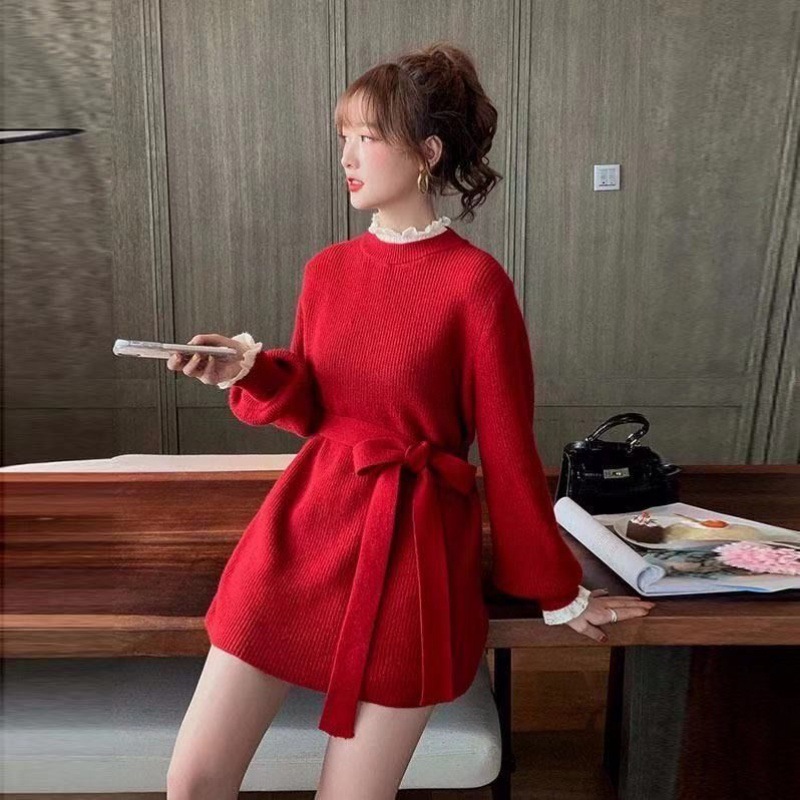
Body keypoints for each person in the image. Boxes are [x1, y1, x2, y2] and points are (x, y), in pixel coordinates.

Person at [164, 41, 655, 800]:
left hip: (414, 552)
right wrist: (246, 368)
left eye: (368, 137)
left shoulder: (476, 285)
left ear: (427, 152)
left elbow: (507, 449)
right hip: (305, 531)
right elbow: (314, 403)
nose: (347, 158)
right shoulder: (327, 271)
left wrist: (556, 588)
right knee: (194, 781)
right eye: (343, 137)